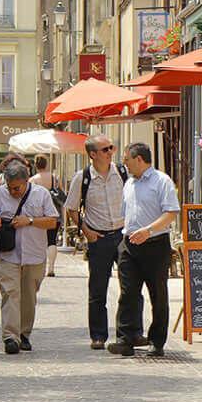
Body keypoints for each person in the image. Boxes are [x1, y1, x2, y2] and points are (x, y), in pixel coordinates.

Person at [109, 143, 180, 358]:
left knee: (157, 294)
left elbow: (171, 213)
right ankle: (125, 339)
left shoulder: (162, 181)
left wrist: (148, 231)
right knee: (128, 292)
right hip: (129, 244)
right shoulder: (129, 183)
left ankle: (157, 341)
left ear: (139, 159)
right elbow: (126, 213)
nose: (124, 163)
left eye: (127, 159)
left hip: (155, 244)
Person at [63, 134, 128, 350]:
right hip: (98, 238)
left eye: (111, 147)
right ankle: (98, 336)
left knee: (130, 286)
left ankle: (128, 333)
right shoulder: (82, 178)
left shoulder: (122, 173)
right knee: (98, 290)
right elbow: (71, 208)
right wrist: (86, 231)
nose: (111, 152)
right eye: (106, 149)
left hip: (122, 235)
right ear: (93, 154)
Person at [0, 162, 58, 354]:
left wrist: (30, 221)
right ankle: (11, 337)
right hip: (8, 254)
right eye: (10, 187)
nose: (13, 191)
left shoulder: (41, 194)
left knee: (28, 297)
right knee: (10, 293)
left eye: (16, 188)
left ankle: (24, 334)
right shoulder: (1, 193)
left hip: (34, 255)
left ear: (26, 181)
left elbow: (52, 221)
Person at [31, 154, 63, 276]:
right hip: (54, 213)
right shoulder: (54, 178)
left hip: (39, 214)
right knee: (52, 240)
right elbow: (61, 193)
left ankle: (40, 267)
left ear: (36, 165)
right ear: (47, 164)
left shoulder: (33, 180)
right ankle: (51, 267)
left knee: (38, 241)